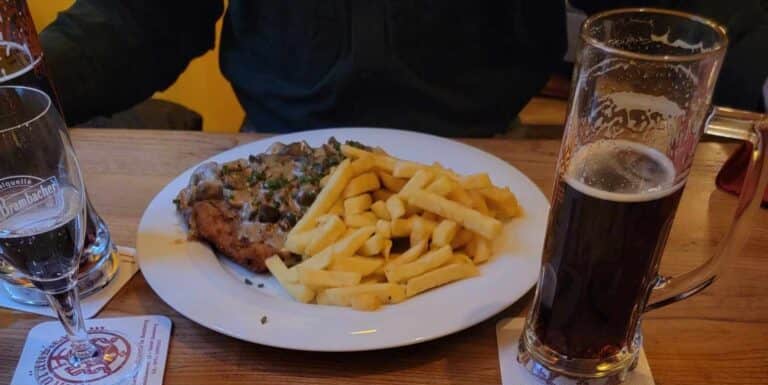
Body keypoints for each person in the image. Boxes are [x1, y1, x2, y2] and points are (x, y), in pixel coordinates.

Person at [40, 0, 768, 135]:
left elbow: (673, 14)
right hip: (271, 146)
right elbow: (147, 17)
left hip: (492, 157)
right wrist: (23, 97)